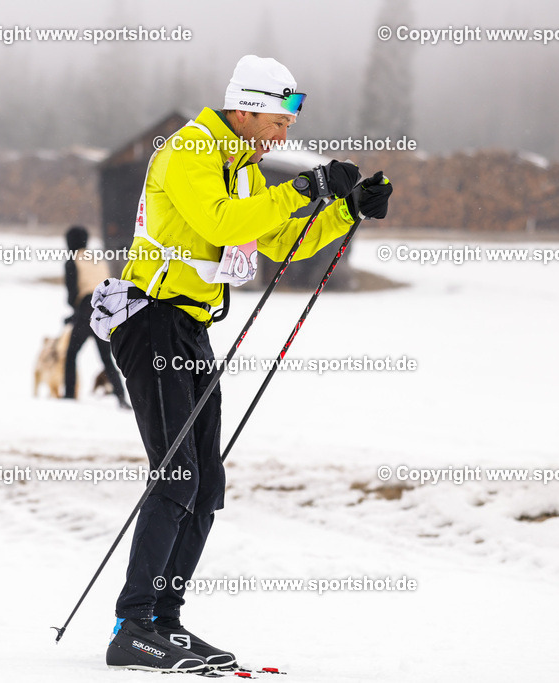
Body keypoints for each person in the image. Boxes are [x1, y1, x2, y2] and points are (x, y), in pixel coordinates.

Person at [97, 55, 392, 672]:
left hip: (191, 328)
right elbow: (219, 221)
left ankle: (165, 622)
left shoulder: (245, 169)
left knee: (205, 483)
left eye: (288, 124)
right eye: (278, 121)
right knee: (176, 474)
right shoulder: (193, 150)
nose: (284, 134)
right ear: (244, 108)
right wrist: (309, 185)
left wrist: (344, 210)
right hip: (149, 319)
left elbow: (277, 240)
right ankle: (132, 624)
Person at [63, 226, 129, 409]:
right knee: (107, 358)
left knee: (71, 354)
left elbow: (72, 295)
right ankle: (120, 396)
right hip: (105, 312)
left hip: (86, 311)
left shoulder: (72, 261)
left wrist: (75, 314)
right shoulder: (98, 259)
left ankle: (69, 395)